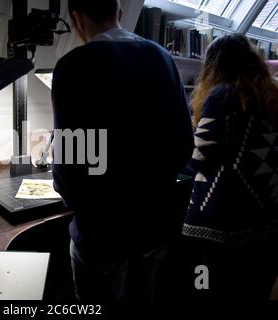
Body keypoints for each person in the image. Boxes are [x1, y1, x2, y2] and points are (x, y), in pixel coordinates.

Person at [51, 0, 194, 300]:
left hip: (103, 233)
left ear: (77, 20)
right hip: (155, 226)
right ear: (118, 13)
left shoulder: (74, 66)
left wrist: (68, 194)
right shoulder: (162, 57)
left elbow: (73, 163)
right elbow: (185, 145)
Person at [182, 33, 278, 300]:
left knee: (208, 288)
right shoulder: (272, 95)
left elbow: (200, 157)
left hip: (222, 223)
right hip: (265, 219)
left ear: (215, 66)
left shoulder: (222, 95)